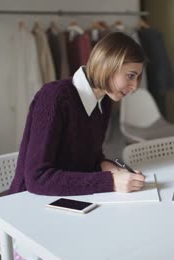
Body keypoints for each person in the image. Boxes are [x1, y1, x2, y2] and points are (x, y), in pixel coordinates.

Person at [9, 32, 147, 197]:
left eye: (137, 78)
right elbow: (37, 178)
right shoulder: (54, 97)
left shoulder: (103, 100)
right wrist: (110, 182)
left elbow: (89, 158)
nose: (134, 86)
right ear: (108, 65)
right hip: (26, 203)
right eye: (131, 76)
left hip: (71, 199)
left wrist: (111, 168)